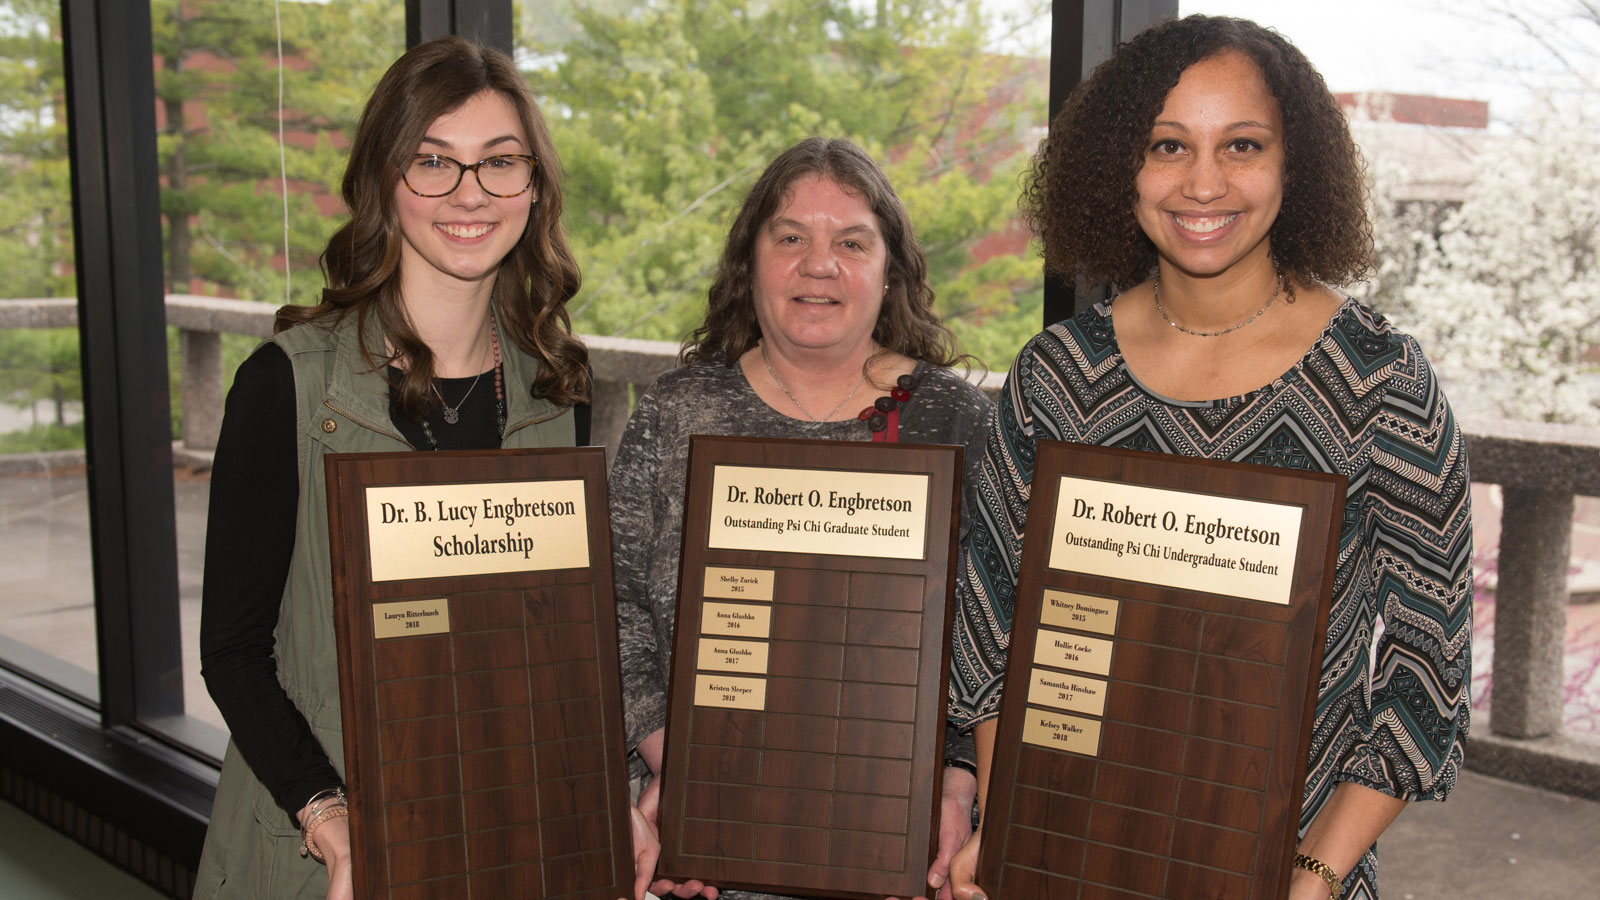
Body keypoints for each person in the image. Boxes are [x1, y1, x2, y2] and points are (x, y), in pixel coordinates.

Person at [943, 16, 1472, 900]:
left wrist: (1316, 872)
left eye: (1242, 145)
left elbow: (1428, 667)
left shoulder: (1379, 383)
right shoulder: (1056, 378)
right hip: (1064, 862)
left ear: (1294, 164)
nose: (1203, 182)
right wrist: (1006, 828)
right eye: (1168, 145)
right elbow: (992, 633)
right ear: (1121, 165)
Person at [195, 36, 588, 900]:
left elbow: (557, 647)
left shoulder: (558, 392)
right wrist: (329, 819)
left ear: (533, 186)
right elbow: (232, 652)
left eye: (499, 162)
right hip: (318, 855)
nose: (470, 193)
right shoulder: (288, 387)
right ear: (385, 179)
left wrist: (604, 797)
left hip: (504, 843)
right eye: (433, 162)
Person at [611, 137, 995, 900]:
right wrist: (681, 763)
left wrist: (956, 783)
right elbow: (613, 607)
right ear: (749, 262)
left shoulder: (956, 421)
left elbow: (994, 632)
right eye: (790, 238)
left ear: (890, 272)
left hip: (902, 850)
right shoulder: (676, 413)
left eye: (851, 242)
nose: (819, 265)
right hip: (697, 840)